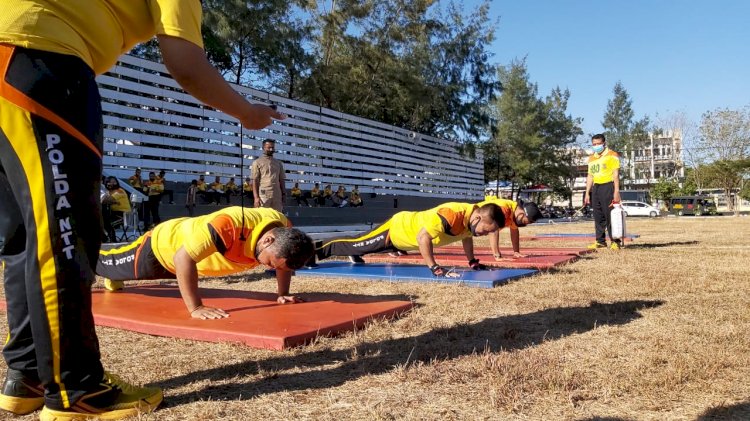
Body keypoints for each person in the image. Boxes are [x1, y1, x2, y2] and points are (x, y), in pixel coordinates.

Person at [0, 1, 285, 419]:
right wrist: (248, 113)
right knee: (65, 235)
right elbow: (186, 65)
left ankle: (27, 375)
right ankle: (77, 389)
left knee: (24, 236)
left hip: (17, 56)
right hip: (39, 62)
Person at [96, 207, 314, 318]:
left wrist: (281, 293)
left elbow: (282, 264)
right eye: (270, 263)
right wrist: (196, 308)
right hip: (162, 249)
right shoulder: (228, 226)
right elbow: (182, 258)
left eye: (274, 268)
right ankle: (70, 251)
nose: (269, 268)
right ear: (267, 240)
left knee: (120, 272)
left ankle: (114, 276)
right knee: (104, 263)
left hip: (191, 265)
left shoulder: (284, 231)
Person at [309, 203, 506, 276]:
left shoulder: (470, 223)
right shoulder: (451, 215)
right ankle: (312, 250)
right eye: (485, 230)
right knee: (357, 243)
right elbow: (423, 238)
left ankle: (354, 255)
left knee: (361, 248)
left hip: (403, 241)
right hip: (397, 229)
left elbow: (467, 239)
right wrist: (434, 267)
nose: (484, 234)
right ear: (478, 218)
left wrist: (471, 262)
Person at [583, 133, 622, 250]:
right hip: (596, 188)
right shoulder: (591, 158)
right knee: (598, 216)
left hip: (608, 186)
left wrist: (616, 192)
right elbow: (590, 176)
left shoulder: (612, 155)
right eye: (594, 144)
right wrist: (587, 193)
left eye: (598, 144)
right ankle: (600, 241)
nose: (596, 146)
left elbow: (616, 174)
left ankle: (615, 241)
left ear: (604, 143)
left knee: (609, 214)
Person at [476, 198, 542, 259]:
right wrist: (497, 255)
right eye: (526, 222)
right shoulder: (504, 209)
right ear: (522, 213)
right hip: (470, 217)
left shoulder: (514, 213)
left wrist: (516, 252)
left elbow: (514, 231)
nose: (525, 224)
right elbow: (493, 229)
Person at [251, 139, 286, 212]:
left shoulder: (278, 163)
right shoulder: (257, 162)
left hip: (277, 195)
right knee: (263, 217)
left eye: (273, 147)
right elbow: (255, 181)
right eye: (269, 147)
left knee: (277, 217)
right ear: (263, 148)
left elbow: (282, 180)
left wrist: (284, 194)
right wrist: (256, 197)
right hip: (264, 195)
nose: (271, 149)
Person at [101, 176, 132, 242]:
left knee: (107, 223)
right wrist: (114, 202)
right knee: (100, 221)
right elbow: (104, 200)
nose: (112, 183)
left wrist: (112, 201)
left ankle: (113, 240)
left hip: (123, 215)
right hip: (114, 214)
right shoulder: (109, 192)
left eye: (114, 182)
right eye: (109, 182)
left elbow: (105, 200)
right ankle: (105, 238)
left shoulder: (120, 191)